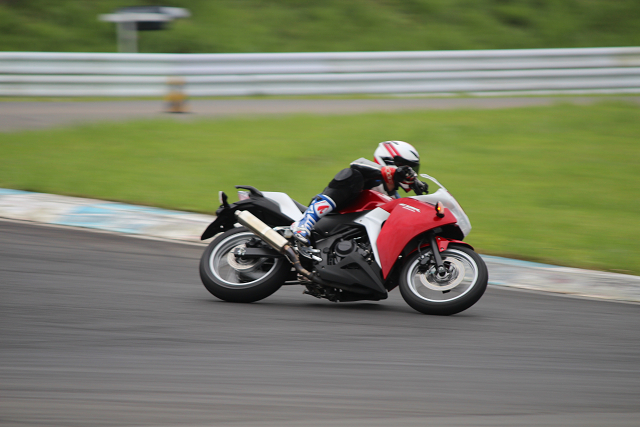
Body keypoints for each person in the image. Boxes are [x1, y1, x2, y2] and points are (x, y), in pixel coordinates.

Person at [291, 140, 428, 244]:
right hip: (330, 218)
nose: (410, 173)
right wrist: (393, 172)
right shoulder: (369, 179)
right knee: (352, 175)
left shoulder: (394, 198)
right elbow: (356, 164)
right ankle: (304, 223)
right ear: (392, 163)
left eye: (413, 170)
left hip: (349, 237)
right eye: (408, 168)